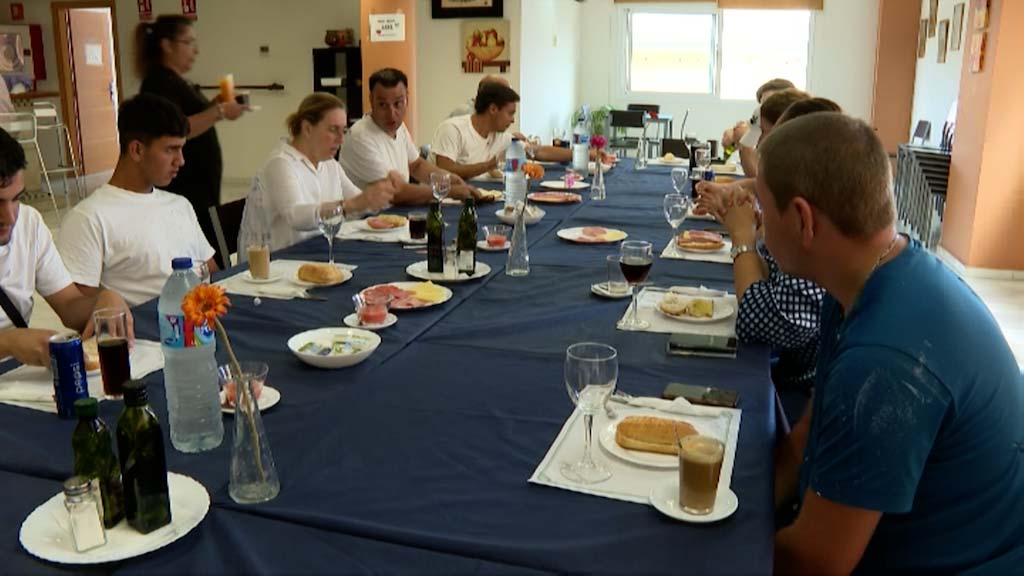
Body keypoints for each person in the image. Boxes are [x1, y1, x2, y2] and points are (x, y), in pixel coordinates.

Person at [766, 113, 1024, 574]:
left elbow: (813, 564)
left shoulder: (883, 364)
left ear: (803, 220)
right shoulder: (874, 275)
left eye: (765, 211)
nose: (760, 226)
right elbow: (807, 437)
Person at [56, 94, 217, 307]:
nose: (181, 161)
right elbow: (79, 312)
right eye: (170, 149)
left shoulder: (180, 205)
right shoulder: (89, 217)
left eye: (181, 148)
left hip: (202, 324)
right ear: (137, 150)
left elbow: (213, 273)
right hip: (148, 334)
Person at [0, 128, 133, 366]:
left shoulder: (29, 223)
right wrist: (8, 342)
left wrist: (104, 301)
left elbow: (69, 305)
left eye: (17, 198)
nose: (10, 217)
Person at [136, 15, 248, 268]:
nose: (195, 50)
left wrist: (217, 104)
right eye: (188, 42)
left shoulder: (178, 81)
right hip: (186, 183)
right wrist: (218, 112)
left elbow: (193, 116)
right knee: (201, 246)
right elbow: (176, 128)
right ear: (167, 45)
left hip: (201, 183)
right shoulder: (158, 82)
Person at [249, 93, 400, 251]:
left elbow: (360, 201)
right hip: (288, 261)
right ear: (307, 128)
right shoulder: (281, 163)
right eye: (333, 130)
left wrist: (383, 191)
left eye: (343, 131)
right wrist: (351, 205)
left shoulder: (330, 164)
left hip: (324, 250)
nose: (341, 140)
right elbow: (295, 216)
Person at [340, 68, 480, 205]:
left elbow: (417, 165)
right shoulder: (360, 137)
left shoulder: (399, 127)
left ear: (407, 98)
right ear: (371, 100)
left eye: (398, 103)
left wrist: (449, 179)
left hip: (394, 212)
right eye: (383, 105)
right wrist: (448, 191)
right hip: (366, 220)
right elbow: (394, 193)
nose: (392, 113)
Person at [431, 83, 583, 180]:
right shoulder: (452, 129)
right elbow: (445, 171)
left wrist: (585, 154)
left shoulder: (499, 136)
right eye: (510, 113)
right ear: (493, 109)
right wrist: (489, 165)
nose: (513, 120)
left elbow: (537, 151)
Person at [736, 78, 795, 176]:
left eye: (770, 104)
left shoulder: (794, 138)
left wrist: (744, 144)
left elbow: (758, 178)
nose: (764, 110)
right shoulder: (761, 124)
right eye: (762, 105)